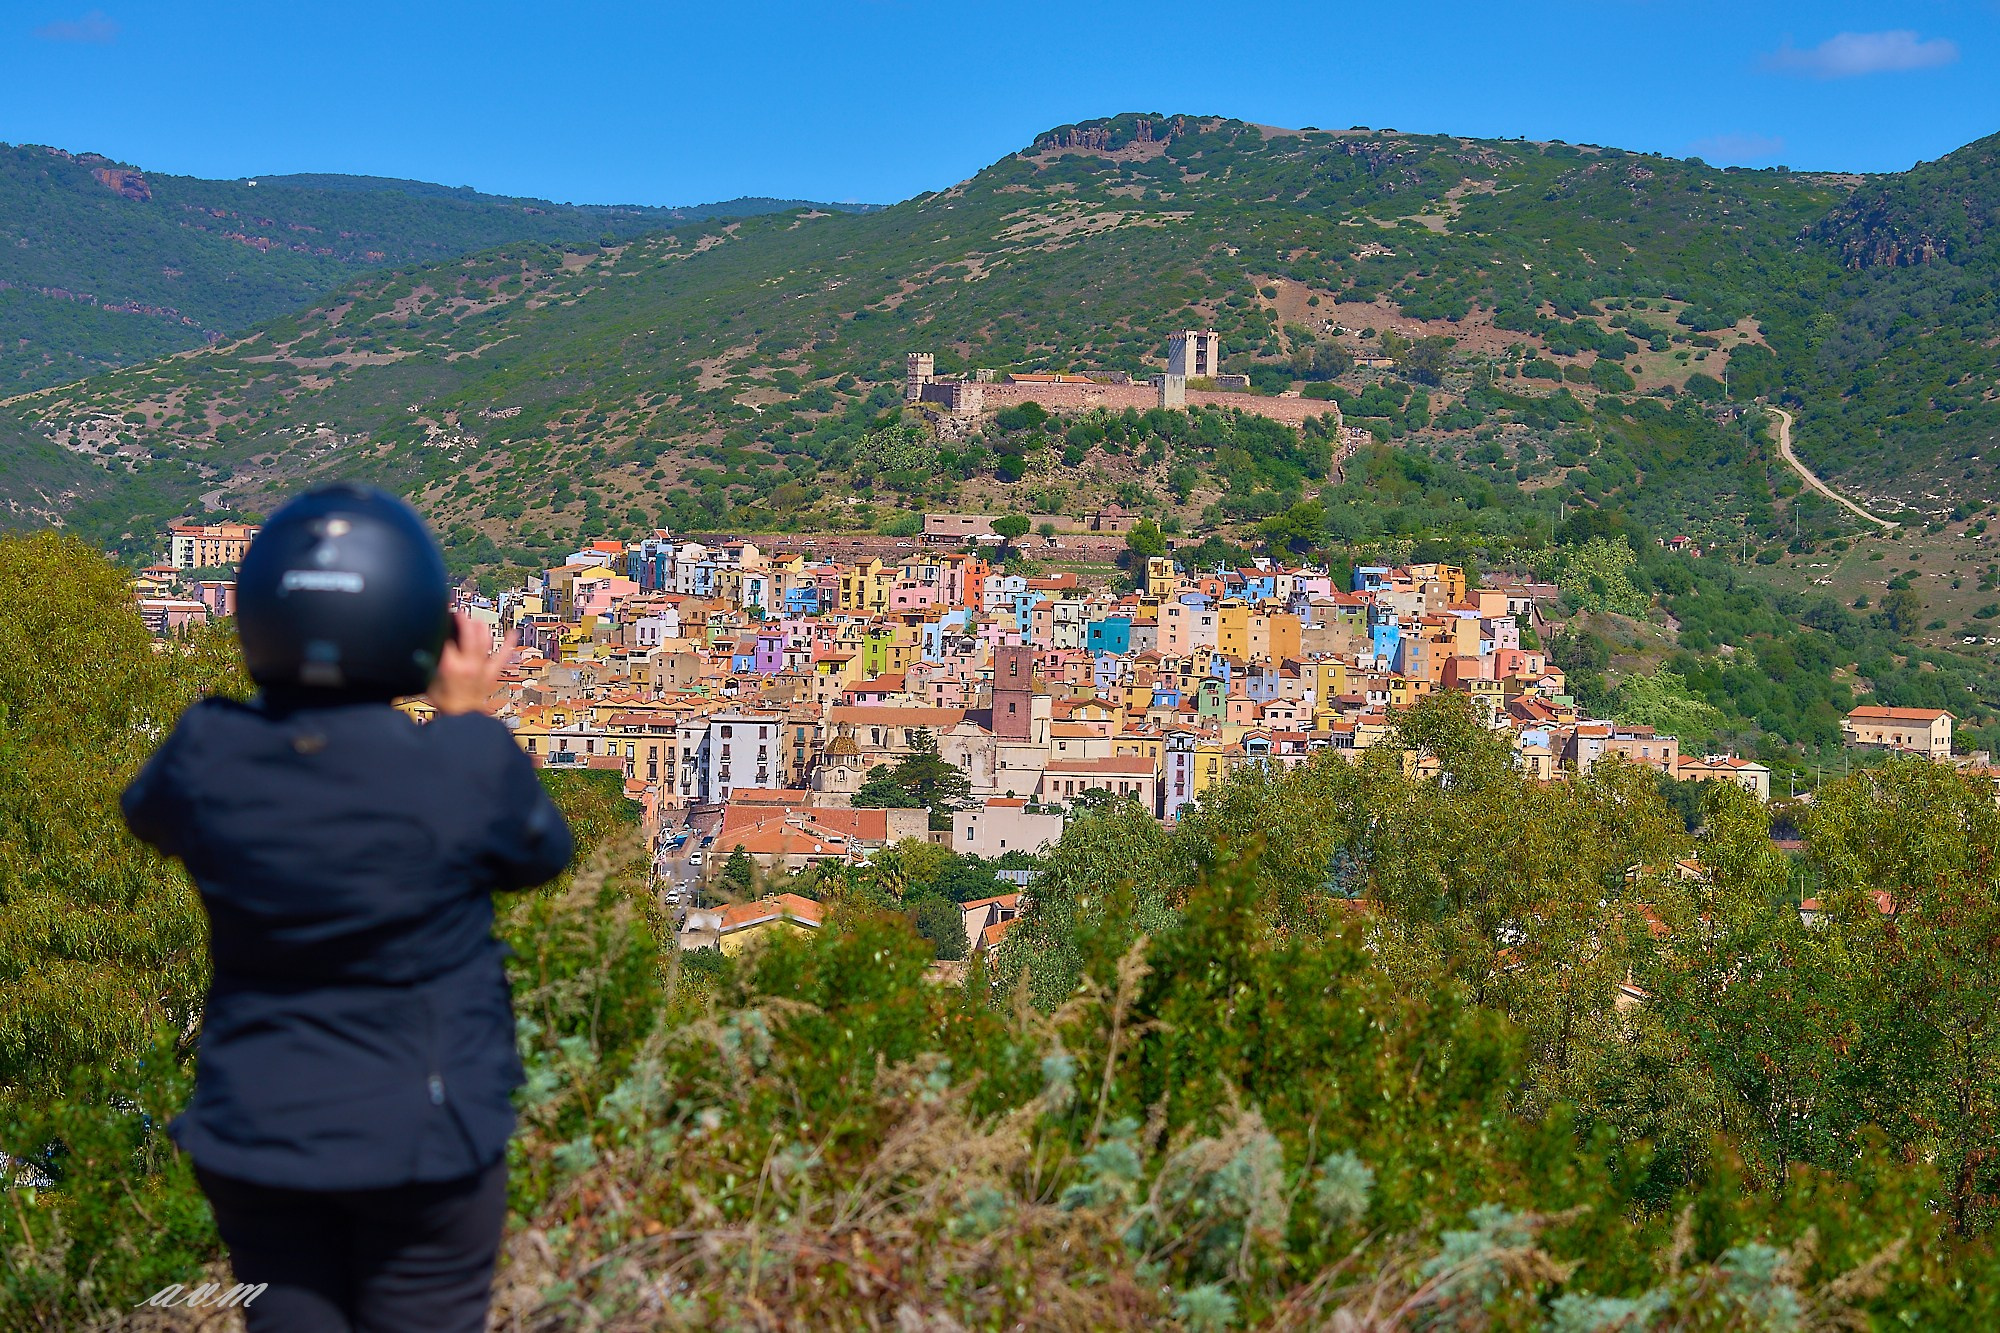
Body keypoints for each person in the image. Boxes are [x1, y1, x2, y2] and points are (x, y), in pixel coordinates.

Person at [122, 484, 572, 1332]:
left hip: (260, 1132)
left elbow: (150, 812)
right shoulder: (462, 764)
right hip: (426, 1144)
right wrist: (468, 715)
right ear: (414, 625)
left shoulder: (208, 752)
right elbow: (541, 855)